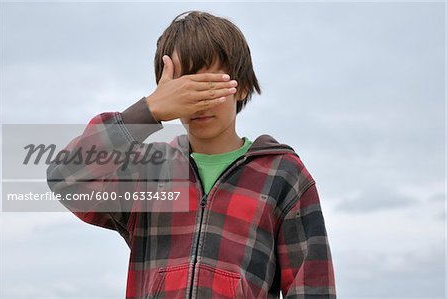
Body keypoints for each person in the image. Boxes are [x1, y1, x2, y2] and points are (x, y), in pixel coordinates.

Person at [46, 10, 336, 299]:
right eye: (185, 89)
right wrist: (148, 111)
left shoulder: (283, 175)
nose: (199, 101)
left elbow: (313, 288)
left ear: (242, 86)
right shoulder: (148, 171)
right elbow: (66, 178)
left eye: (210, 85)